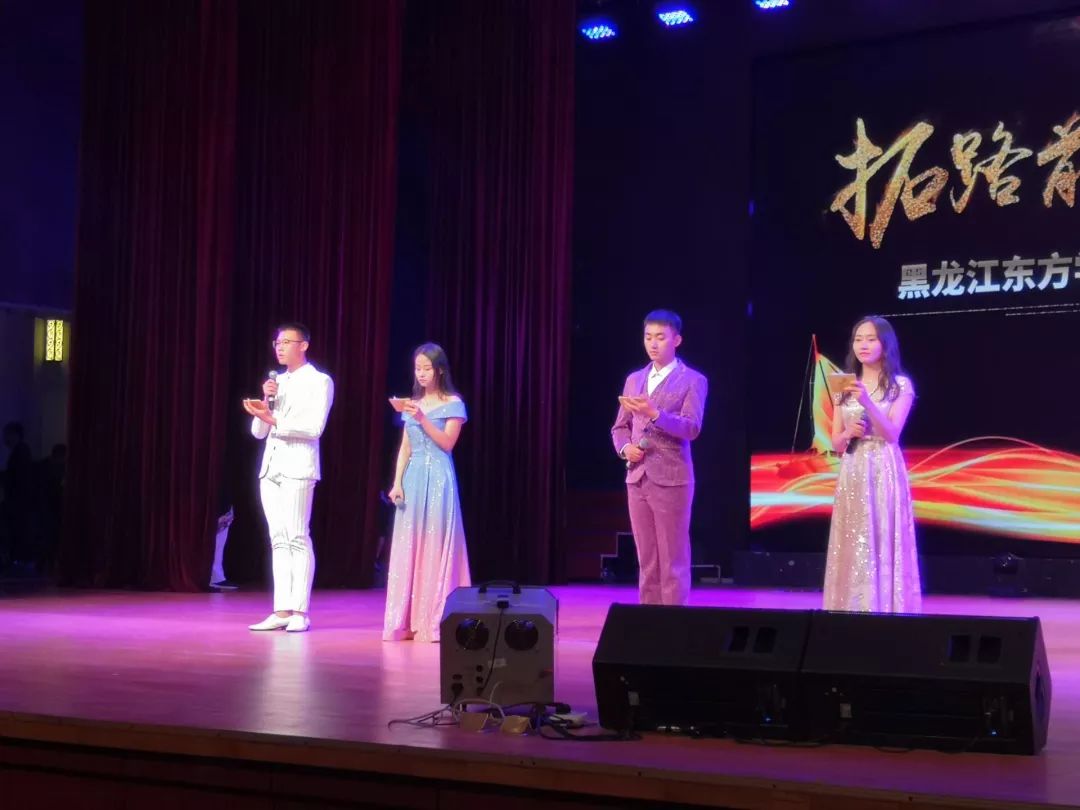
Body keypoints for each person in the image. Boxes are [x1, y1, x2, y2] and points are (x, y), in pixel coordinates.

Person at [823, 315, 920, 613]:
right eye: (858, 339)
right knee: (854, 538)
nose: (863, 345)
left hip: (882, 466)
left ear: (885, 344)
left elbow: (892, 434)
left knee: (881, 534)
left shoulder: (900, 385)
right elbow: (836, 443)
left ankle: (885, 608)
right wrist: (846, 434)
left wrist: (866, 402)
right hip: (853, 468)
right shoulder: (843, 384)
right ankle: (849, 608)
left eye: (871, 339)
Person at [611, 310, 708, 606]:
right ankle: (649, 621)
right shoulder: (634, 379)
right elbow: (620, 427)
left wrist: (655, 414)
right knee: (647, 558)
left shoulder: (693, 380)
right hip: (637, 476)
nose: (653, 344)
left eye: (660, 337)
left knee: (673, 558)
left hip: (672, 478)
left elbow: (692, 427)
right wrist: (625, 448)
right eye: (648, 337)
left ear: (676, 340)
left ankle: (674, 622)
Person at [242, 323, 334, 632]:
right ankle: (281, 610)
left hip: (299, 466)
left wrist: (274, 420)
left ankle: (300, 611)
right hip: (271, 469)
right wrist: (264, 404)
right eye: (277, 342)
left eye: (286, 342)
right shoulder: (276, 382)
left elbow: (314, 428)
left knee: (297, 536)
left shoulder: (319, 381)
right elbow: (259, 433)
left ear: (303, 345)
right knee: (278, 539)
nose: (279, 347)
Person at [382, 343, 470, 642]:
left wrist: (421, 418)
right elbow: (405, 448)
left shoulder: (453, 403)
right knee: (409, 544)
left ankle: (433, 618)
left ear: (439, 370)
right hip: (414, 477)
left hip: (439, 477)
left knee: (434, 543)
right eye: (417, 368)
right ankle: (405, 621)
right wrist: (397, 482)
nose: (420, 373)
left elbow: (447, 443)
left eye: (426, 368)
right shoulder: (413, 404)